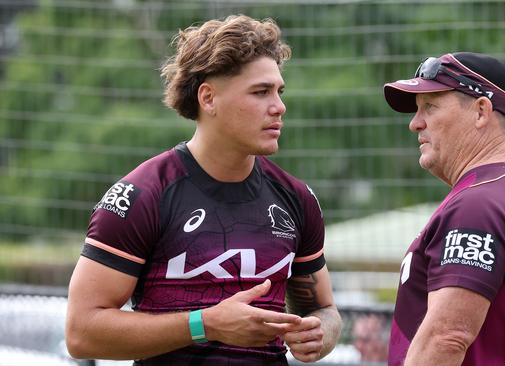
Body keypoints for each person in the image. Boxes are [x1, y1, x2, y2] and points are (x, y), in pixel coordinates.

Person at [65, 15, 342, 366]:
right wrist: (205, 324)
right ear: (208, 98)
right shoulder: (142, 195)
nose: (279, 106)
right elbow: (81, 333)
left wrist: (320, 333)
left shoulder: (296, 198)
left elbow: (324, 309)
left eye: (279, 91)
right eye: (260, 92)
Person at [383, 52, 505, 365]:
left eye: (431, 106)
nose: (415, 123)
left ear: (481, 111)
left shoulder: (479, 204)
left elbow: (447, 337)